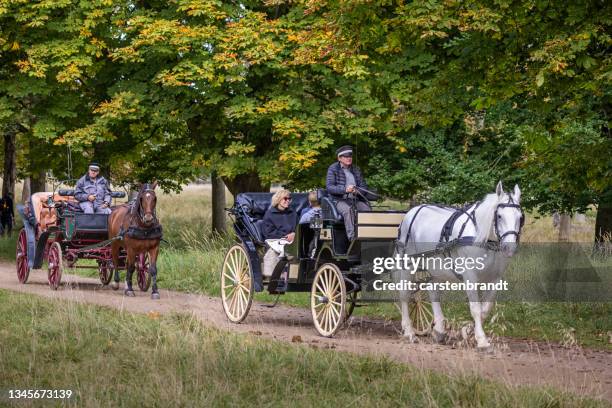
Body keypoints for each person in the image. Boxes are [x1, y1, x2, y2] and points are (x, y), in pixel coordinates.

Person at [326, 145, 376, 241]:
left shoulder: (356, 169)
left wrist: (357, 191)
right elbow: (330, 187)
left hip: (355, 199)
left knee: (367, 210)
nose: (349, 158)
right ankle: (353, 238)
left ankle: (368, 236)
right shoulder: (333, 168)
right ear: (339, 158)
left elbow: (363, 186)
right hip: (339, 200)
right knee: (348, 211)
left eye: (350, 156)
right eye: (346, 156)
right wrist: (345, 190)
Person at [261, 190, 296, 286]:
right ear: (278, 199)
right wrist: (284, 236)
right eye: (285, 198)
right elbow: (268, 232)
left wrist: (293, 234)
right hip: (275, 239)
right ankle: (278, 275)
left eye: (289, 199)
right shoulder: (269, 214)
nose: (288, 201)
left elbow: (296, 226)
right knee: (279, 249)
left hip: (292, 239)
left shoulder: (292, 212)